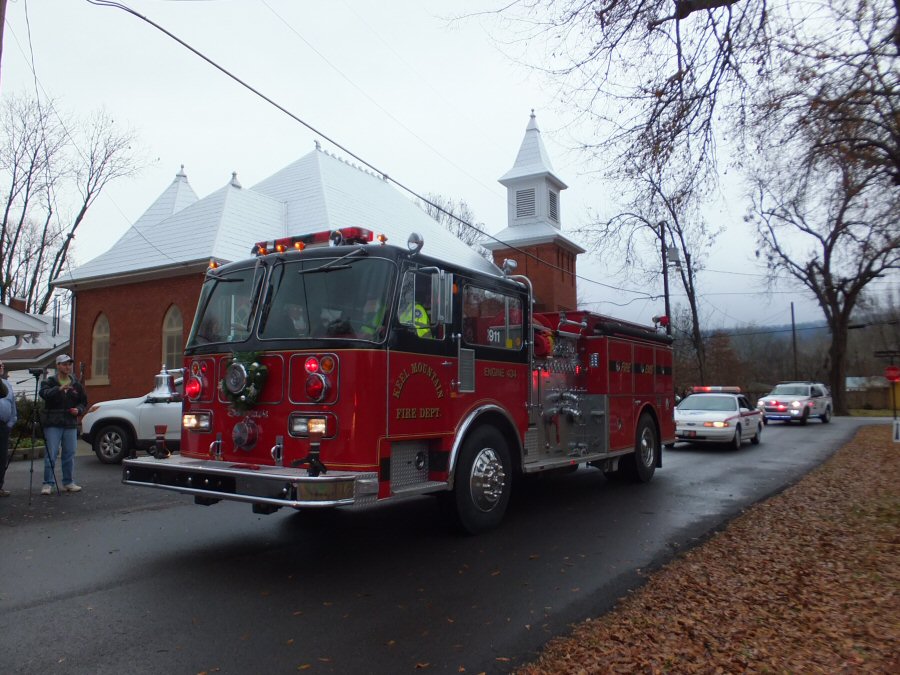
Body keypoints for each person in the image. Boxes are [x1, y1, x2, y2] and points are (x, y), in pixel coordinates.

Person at [39, 354, 87, 495]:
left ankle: (68, 482)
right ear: (58, 365)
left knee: (69, 454)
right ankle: (48, 483)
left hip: (70, 423)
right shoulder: (49, 381)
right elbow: (44, 394)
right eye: (64, 364)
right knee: (51, 454)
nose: (68, 367)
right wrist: (58, 389)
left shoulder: (76, 384)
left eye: (69, 364)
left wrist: (78, 410)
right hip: (53, 423)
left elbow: (83, 402)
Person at [0, 361, 16, 497]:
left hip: (3, 426)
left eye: (2, 365)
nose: (1, 367)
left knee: (2, 457)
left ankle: (0, 486)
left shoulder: (6, 384)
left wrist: (11, 422)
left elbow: (13, 405)